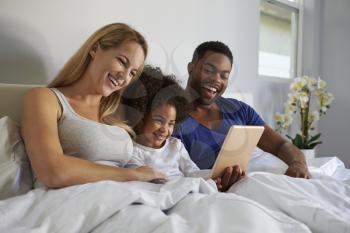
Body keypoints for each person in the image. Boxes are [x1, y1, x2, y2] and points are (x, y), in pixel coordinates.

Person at [21, 23, 166, 188]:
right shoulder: (44, 99)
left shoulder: (114, 113)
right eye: (122, 61)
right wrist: (132, 175)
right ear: (95, 49)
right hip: (75, 199)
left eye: (132, 72)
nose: (125, 77)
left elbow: (133, 166)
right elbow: (52, 171)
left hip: (126, 195)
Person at [173, 41, 310, 191]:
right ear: (190, 68)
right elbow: (170, 172)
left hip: (258, 179)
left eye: (224, 76)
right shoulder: (171, 117)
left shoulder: (240, 110)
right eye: (208, 70)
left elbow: (280, 145)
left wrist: (298, 163)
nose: (217, 80)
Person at [122, 66, 212, 184]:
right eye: (159, 120)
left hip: (187, 188)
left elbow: (193, 172)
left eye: (171, 124)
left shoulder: (175, 146)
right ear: (141, 117)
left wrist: (213, 174)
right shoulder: (132, 150)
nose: (165, 129)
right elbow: (141, 179)